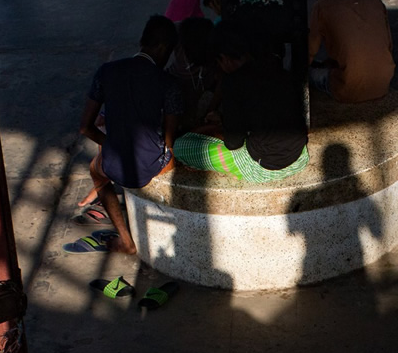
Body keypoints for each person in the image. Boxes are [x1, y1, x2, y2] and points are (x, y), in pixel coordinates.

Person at [77, 16, 183, 254]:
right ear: (163, 48)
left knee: (97, 171)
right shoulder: (168, 82)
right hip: (153, 165)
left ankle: (125, 240)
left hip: (116, 164)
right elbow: (169, 139)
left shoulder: (106, 71)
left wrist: (112, 144)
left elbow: (86, 127)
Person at [174, 24, 308, 182]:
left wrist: (221, 125)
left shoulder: (234, 82)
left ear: (224, 58)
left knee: (180, 147)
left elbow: (233, 144)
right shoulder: (277, 68)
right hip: (299, 157)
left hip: (263, 167)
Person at [307, 0, 394, 103]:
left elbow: (309, 51)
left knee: (308, 74)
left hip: (347, 88)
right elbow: (389, 45)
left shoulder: (322, 5)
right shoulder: (375, 0)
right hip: (383, 83)